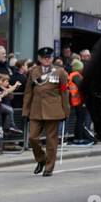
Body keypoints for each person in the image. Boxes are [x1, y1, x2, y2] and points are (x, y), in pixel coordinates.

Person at [23, 46, 70, 176]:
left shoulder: (60, 72)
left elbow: (64, 92)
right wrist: (25, 111)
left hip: (53, 110)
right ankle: (41, 159)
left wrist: (66, 111)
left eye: (49, 57)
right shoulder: (33, 71)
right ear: (39, 59)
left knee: (51, 140)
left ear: (52, 58)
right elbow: (28, 92)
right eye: (44, 58)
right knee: (33, 138)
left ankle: (49, 167)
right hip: (36, 109)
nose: (46, 60)